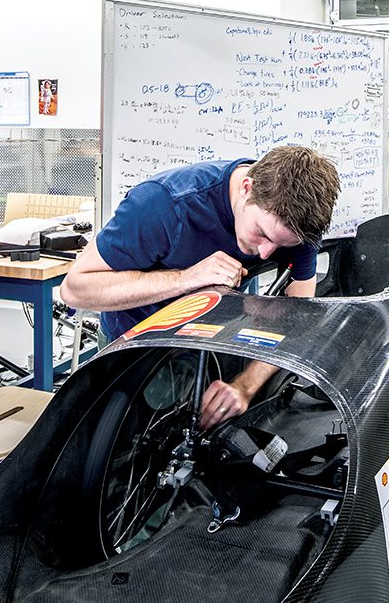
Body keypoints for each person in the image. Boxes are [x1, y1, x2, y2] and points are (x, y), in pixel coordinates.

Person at [59, 146, 341, 429]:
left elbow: (298, 319)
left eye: (281, 245)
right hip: (135, 345)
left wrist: (245, 386)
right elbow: (75, 289)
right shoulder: (164, 205)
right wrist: (187, 278)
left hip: (211, 342)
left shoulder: (297, 226)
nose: (266, 253)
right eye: (262, 234)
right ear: (246, 188)